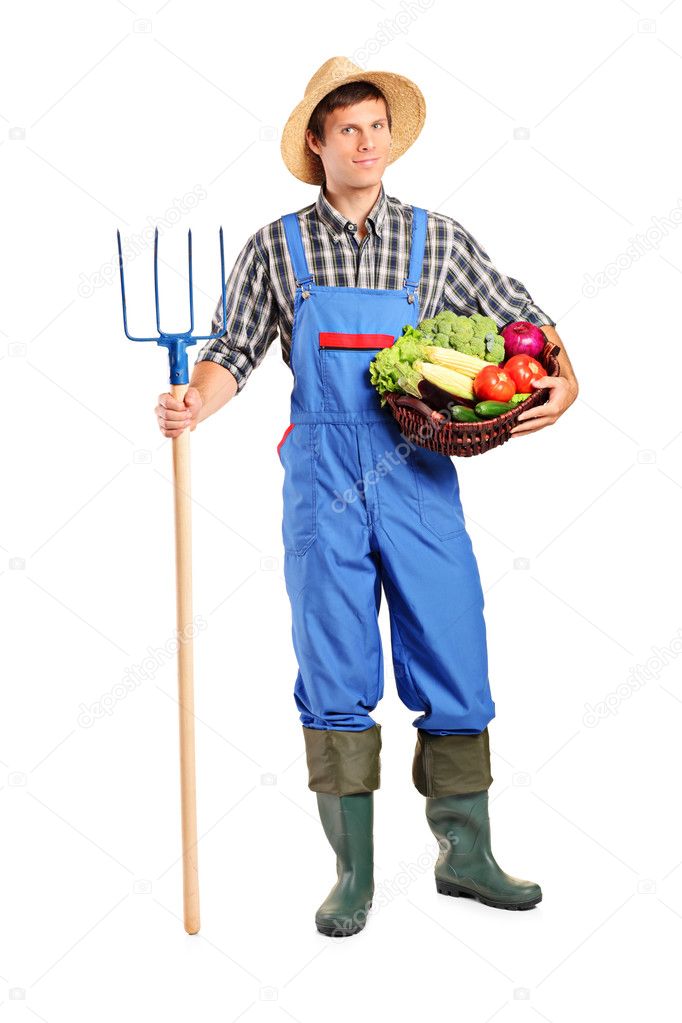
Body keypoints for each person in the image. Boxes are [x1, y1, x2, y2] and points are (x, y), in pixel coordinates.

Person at [155, 56, 579, 938]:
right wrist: (196, 397)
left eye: (378, 127)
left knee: (456, 654)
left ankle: (465, 852)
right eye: (348, 128)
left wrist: (565, 379)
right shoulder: (277, 245)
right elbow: (233, 350)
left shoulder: (439, 238)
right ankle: (352, 871)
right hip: (323, 482)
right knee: (336, 669)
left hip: (420, 475)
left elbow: (519, 319)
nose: (367, 141)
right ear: (317, 143)